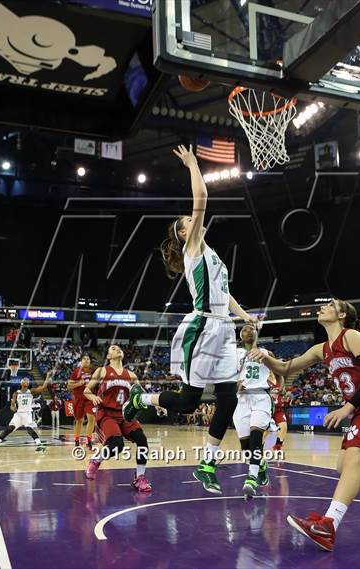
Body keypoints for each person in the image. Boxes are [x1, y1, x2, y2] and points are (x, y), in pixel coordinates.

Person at [122, 144, 257, 494]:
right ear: (184, 233)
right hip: (203, 329)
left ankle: (207, 463)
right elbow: (202, 195)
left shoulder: (211, 255)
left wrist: (245, 317)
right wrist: (193, 164)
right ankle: (141, 399)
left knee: (228, 398)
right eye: (187, 222)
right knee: (187, 403)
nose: (193, 220)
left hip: (224, 327)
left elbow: (223, 292)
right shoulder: (192, 247)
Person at [249, 299, 360, 550]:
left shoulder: (352, 336)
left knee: (354, 460)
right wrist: (265, 358)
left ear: (342, 314)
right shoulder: (321, 349)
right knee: (342, 466)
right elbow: (285, 367)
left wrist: (348, 407)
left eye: (330, 305)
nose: (323, 307)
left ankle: (328, 525)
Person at [83, 345, 152, 492]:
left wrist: (158, 405)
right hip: (107, 414)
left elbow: (142, 395)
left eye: (119, 348)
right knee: (117, 445)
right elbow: (87, 390)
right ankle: (96, 460)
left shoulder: (131, 375)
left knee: (142, 441)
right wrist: (93, 396)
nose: (118, 349)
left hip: (125, 414)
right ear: (108, 356)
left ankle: (139, 478)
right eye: (113, 348)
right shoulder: (102, 371)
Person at [234, 323, 283, 497]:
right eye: (244, 329)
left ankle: (252, 478)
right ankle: (260, 464)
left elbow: (280, 372)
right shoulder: (235, 354)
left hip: (261, 396)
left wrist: (278, 388)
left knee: (256, 436)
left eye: (251, 328)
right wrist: (235, 386)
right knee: (246, 447)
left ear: (256, 334)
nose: (248, 331)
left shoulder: (266, 352)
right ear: (240, 336)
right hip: (242, 400)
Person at [0, 374, 51, 452]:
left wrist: (47, 377)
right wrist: (13, 408)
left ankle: (39, 445)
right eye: (26, 381)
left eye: (28, 381)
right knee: (10, 428)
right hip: (19, 414)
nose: (27, 382)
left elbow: (43, 387)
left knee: (29, 429)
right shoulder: (16, 393)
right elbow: (12, 405)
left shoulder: (31, 391)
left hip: (27, 414)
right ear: (21, 383)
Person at [68, 353, 95, 449]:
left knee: (92, 418)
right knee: (79, 420)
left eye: (88, 359)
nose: (86, 360)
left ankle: (89, 440)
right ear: (81, 361)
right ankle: (76, 440)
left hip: (89, 398)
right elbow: (69, 386)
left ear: (90, 361)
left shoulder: (93, 372)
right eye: (84, 359)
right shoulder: (76, 372)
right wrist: (79, 383)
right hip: (78, 398)